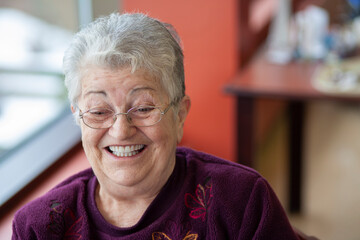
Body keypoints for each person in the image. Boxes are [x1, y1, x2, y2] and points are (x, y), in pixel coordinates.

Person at [12, 12, 301, 239]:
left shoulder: (242, 202)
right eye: (99, 111)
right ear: (78, 117)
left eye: (144, 108)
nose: (121, 130)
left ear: (179, 115)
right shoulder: (39, 228)